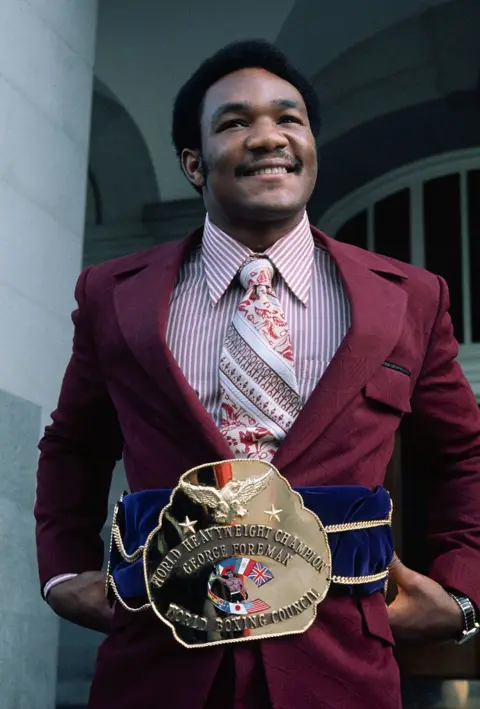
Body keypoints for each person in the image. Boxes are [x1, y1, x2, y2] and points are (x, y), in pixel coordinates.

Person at [34, 39, 480, 709]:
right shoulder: (112, 295)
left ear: (311, 147)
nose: (268, 136)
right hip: (159, 662)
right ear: (192, 162)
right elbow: (74, 444)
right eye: (235, 122)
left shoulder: (410, 297)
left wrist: (462, 588)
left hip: (342, 665)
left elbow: (462, 455)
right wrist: (63, 569)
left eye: (288, 118)